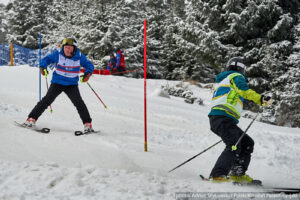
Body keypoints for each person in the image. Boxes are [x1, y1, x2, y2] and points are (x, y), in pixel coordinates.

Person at [208, 57, 272, 184]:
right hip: (222, 117)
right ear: (241, 69)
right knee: (234, 144)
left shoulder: (224, 80)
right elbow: (243, 90)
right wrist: (260, 99)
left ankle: (237, 173)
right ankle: (217, 175)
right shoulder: (236, 76)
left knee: (247, 143)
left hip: (222, 119)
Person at [24, 38, 95, 133]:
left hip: (71, 84)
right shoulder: (58, 54)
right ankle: (31, 119)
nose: (67, 50)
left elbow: (89, 65)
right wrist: (43, 67)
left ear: (74, 48)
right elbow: (46, 59)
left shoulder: (79, 56)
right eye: (66, 47)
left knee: (79, 103)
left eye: (70, 48)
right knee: (46, 100)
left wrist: (88, 74)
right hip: (57, 82)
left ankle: (88, 125)